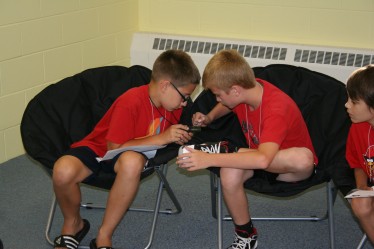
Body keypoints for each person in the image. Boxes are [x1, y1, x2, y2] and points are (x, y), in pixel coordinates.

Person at [52, 49, 201, 249]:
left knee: (131, 162)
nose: (185, 102)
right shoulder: (131, 100)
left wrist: (188, 128)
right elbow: (114, 147)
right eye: (184, 96)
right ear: (166, 85)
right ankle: (73, 224)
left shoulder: (173, 105)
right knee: (62, 170)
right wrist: (162, 137)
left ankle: (104, 235)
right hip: (102, 148)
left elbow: (179, 124)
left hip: (127, 159)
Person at [177, 49, 317, 249]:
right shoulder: (245, 91)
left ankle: (224, 150)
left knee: (302, 158)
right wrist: (209, 118)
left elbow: (263, 161)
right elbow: (229, 105)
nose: (217, 99)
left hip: (287, 171)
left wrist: (209, 159)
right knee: (229, 172)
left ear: (235, 90)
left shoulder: (276, 108)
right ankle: (246, 235)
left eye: (218, 95)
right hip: (256, 157)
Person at [345, 64, 374, 245]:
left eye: (354, 101)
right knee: (360, 204)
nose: (346, 105)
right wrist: (362, 186)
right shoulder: (357, 127)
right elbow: (357, 162)